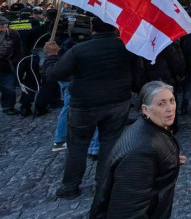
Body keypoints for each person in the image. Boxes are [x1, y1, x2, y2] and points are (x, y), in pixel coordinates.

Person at [44, 17, 144, 199]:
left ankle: (70, 186)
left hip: (84, 105)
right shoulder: (128, 49)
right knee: (109, 144)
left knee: (76, 147)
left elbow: (55, 74)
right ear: (116, 28)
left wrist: (51, 56)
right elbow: (138, 80)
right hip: (117, 103)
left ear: (92, 29)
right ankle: (103, 183)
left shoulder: (79, 50)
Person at [88, 81, 184, 219]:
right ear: (145, 110)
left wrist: (170, 161)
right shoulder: (140, 154)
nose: (170, 108)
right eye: (161, 103)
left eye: (172, 101)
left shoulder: (149, 129)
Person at [0, 16, 22, 115]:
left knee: (8, 87)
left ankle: (8, 107)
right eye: (1, 24)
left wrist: (17, 62)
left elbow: (18, 49)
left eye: (5, 23)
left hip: (6, 64)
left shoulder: (13, 33)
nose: (4, 25)